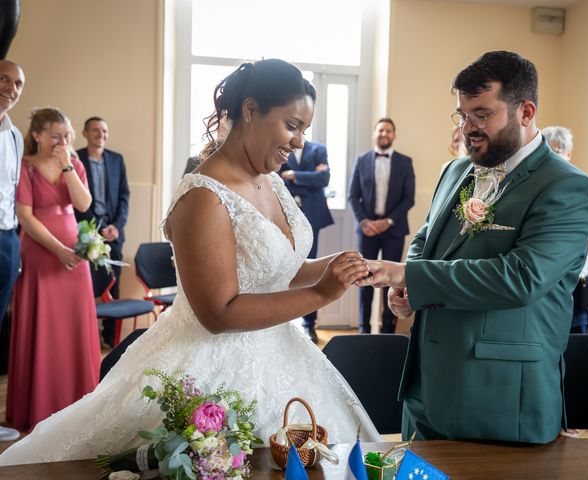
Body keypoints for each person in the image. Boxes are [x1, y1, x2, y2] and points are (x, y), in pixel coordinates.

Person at [0, 59, 379, 465]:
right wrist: (323, 292)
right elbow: (218, 311)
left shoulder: (268, 179)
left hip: (283, 353)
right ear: (250, 111)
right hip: (209, 368)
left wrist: (330, 265)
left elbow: (276, 270)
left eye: (304, 129)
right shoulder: (203, 195)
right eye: (292, 125)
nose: (300, 142)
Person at [358, 51, 588, 444]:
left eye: (482, 114)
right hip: (425, 388)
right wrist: (409, 289)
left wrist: (409, 274)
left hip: (500, 398)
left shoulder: (568, 187)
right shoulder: (455, 170)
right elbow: (426, 239)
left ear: (525, 112)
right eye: (462, 114)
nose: (468, 127)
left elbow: (522, 277)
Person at [7, 107, 101, 433]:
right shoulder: (26, 167)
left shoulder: (72, 164)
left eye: (67, 135)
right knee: (43, 324)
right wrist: (58, 250)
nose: (63, 141)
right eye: (55, 136)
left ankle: (77, 404)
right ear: (37, 136)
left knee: (73, 325)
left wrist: (67, 165)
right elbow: (26, 216)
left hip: (75, 258)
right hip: (40, 252)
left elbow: (84, 204)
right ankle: (38, 406)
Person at [348, 118, 415, 333]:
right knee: (363, 278)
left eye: (388, 131)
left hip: (394, 230)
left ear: (393, 135)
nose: (384, 134)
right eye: (380, 130)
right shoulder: (362, 160)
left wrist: (388, 222)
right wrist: (365, 222)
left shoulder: (405, 162)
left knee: (392, 281)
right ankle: (363, 329)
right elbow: (352, 195)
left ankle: (387, 331)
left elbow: (408, 198)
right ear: (375, 134)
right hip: (367, 230)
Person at [542, 125, 588, 334]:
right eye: (548, 150)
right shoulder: (540, 185)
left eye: (558, 151)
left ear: (568, 153)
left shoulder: (582, 184)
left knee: (576, 343)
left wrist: (569, 273)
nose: (553, 156)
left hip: (574, 279)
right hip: (545, 284)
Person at [75, 117, 130, 348]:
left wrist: (117, 226)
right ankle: (84, 334)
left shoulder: (116, 160)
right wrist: (92, 229)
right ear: (85, 132)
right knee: (83, 283)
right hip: (84, 232)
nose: (101, 134)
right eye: (95, 130)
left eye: (104, 131)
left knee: (112, 284)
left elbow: (124, 196)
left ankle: (109, 336)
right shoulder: (75, 158)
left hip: (113, 233)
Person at [279, 140, 333, 343]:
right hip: (284, 216)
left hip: (312, 216)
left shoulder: (319, 150)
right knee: (282, 266)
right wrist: (309, 178)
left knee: (312, 269)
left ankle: (309, 324)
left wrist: (293, 175)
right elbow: (275, 178)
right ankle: (280, 321)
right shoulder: (281, 145)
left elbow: (323, 178)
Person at [0, 60, 24, 442]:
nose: (12, 87)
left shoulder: (16, 135)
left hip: (6, 240)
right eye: (5, 78)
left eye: (18, 83)